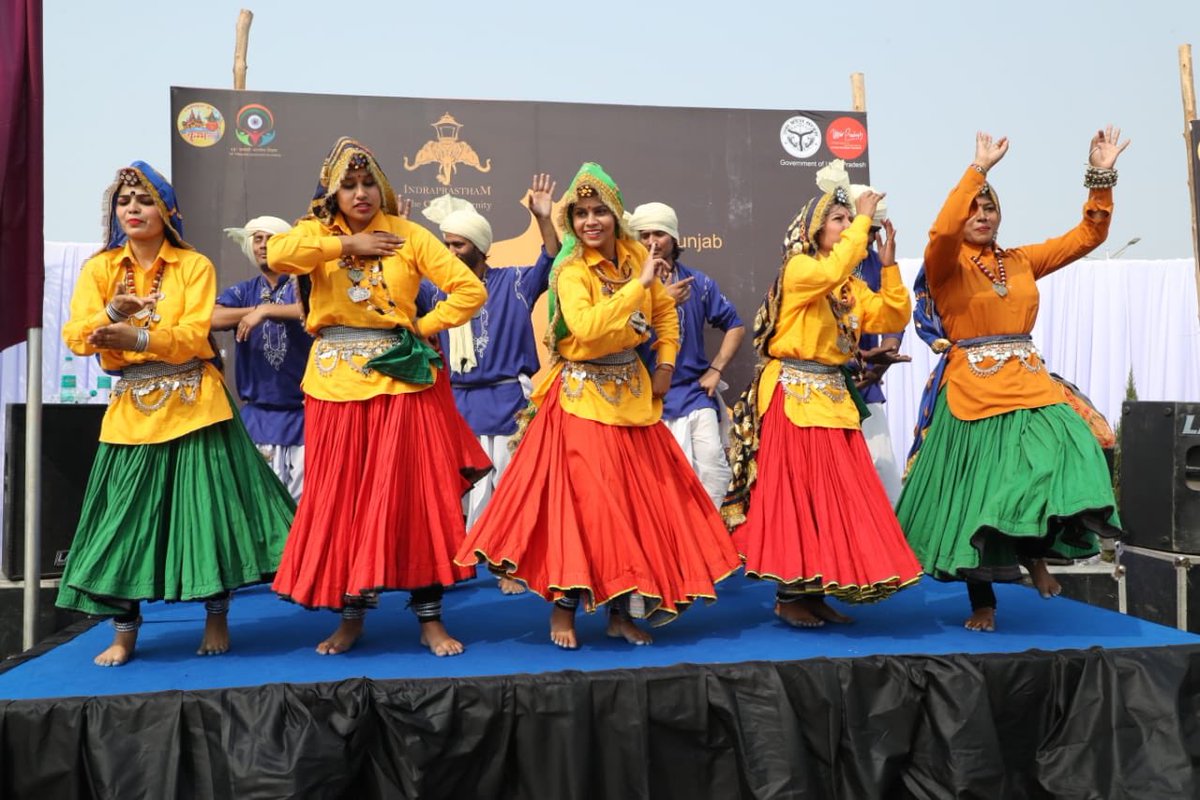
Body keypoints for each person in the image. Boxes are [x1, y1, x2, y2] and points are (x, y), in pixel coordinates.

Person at [455, 163, 742, 649]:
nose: (591, 221)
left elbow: (666, 317)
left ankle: (619, 610)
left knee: (632, 510)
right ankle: (564, 608)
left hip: (633, 400)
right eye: (582, 213)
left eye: (599, 212)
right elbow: (586, 328)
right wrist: (639, 286)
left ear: (615, 214)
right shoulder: (570, 270)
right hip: (581, 401)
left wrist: (665, 371)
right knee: (585, 509)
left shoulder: (635, 256)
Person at [58, 162, 295, 666]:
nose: (133, 210)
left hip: (197, 407)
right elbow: (77, 336)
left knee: (207, 518)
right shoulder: (101, 269)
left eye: (143, 201)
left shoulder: (194, 266)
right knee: (122, 524)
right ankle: (124, 632)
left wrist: (139, 337)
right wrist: (113, 316)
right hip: (132, 413)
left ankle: (216, 616)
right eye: (125, 202)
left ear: (166, 211)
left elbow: (193, 335)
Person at [897, 129, 1128, 632]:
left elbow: (1088, 236)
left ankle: (1036, 556)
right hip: (973, 392)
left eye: (990, 208)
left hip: (1030, 385)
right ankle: (984, 602)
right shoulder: (947, 265)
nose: (982, 215)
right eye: (975, 208)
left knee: (1069, 452)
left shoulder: (1020, 261)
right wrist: (978, 168)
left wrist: (1101, 176)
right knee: (978, 498)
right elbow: (939, 234)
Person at [267, 137, 489, 657]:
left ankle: (430, 619)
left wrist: (421, 326)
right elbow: (278, 254)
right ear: (333, 192)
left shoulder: (407, 234)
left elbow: (469, 291)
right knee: (344, 501)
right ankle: (351, 618)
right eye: (349, 185)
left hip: (400, 383)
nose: (361, 193)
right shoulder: (316, 236)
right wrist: (347, 247)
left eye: (368, 183)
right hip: (333, 387)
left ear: (382, 187)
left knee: (413, 497)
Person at [723, 178, 922, 628]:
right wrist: (865, 219)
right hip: (793, 396)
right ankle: (789, 596)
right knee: (796, 498)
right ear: (815, 229)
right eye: (840, 219)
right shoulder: (801, 270)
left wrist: (887, 268)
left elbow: (890, 316)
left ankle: (816, 592)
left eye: (851, 219)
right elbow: (832, 270)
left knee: (830, 500)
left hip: (832, 398)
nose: (850, 225)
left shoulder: (847, 285)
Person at [417, 177, 560, 595]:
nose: (451, 253)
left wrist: (543, 218)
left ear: (480, 248)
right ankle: (454, 562)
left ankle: (510, 565)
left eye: (458, 245)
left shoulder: (513, 282)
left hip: (507, 400)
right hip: (457, 402)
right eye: (446, 245)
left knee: (511, 488)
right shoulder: (437, 291)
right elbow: (406, 280)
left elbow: (549, 260)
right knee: (458, 490)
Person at [626, 202, 745, 507]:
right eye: (644, 235)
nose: (652, 242)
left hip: (694, 394)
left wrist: (716, 369)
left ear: (674, 239)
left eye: (660, 234)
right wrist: (659, 301)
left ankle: (709, 546)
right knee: (659, 486)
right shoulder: (628, 287)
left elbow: (735, 326)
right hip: (647, 401)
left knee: (714, 472)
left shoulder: (699, 283)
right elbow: (616, 336)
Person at [213, 216, 312, 500]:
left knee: (303, 507)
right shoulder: (245, 291)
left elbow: (315, 311)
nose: (264, 245)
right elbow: (211, 317)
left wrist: (269, 312)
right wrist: (257, 308)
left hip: (304, 417)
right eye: (257, 239)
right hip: (257, 418)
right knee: (260, 504)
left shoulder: (305, 284)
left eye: (272, 238)